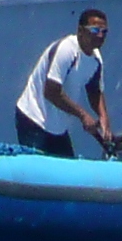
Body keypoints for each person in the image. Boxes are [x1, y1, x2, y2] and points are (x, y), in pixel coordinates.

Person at [14, 8, 115, 158]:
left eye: (104, 31)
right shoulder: (67, 50)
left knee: (67, 168)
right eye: (95, 30)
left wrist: (103, 118)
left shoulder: (96, 59)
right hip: (33, 119)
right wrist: (83, 116)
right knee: (41, 173)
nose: (100, 35)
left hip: (58, 128)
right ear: (80, 31)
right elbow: (51, 92)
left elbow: (94, 90)